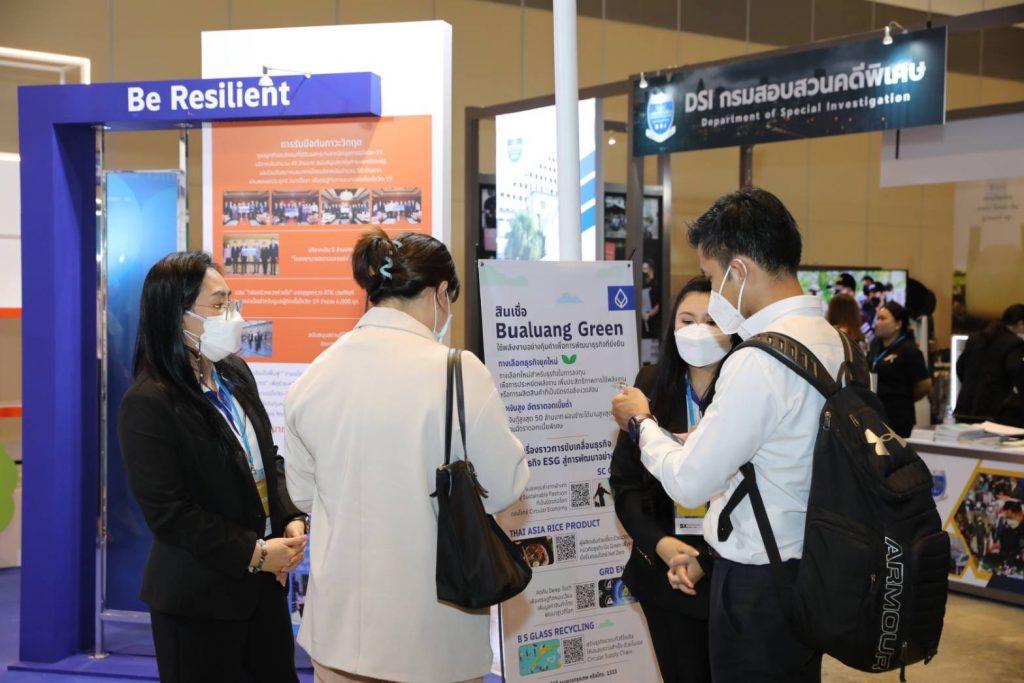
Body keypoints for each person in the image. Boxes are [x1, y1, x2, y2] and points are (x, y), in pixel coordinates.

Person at [612, 187, 843, 681]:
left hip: (759, 582)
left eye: (715, 278)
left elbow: (690, 481)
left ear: (738, 271)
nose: (715, 295)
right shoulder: (833, 342)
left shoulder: (758, 359)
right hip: (817, 566)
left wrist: (641, 423)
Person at [284, 228, 529, 683]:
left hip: (338, 633)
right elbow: (502, 488)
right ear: (440, 293)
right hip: (432, 636)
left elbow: (301, 495)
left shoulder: (314, 376)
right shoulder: (459, 373)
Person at [118, 251, 308, 683]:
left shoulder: (235, 374)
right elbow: (170, 513)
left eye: (231, 301)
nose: (232, 316)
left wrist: (290, 517)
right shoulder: (149, 402)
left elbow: (267, 459)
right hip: (198, 599)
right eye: (219, 304)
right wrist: (257, 554)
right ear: (177, 315)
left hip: (263, 589)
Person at [610, 276, 735, 683]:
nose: (698, 330)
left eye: (711, 321)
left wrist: (705, 560)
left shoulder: (745, 391)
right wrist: (661, 545)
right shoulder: (649, 385)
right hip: (664, 571)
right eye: (687, 320)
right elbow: (625, 483)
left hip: (732, 573)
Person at [869, 301, 932, 438]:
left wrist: (903, 398)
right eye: (877, 318)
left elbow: (924, 385)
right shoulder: (875, 346)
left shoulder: (909, 350)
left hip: (898, 418)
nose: (877, 322)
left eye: (883, 318)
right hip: (874, 415)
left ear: (898, 324)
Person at [955, 303, 1024, 425]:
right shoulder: (1014, 343)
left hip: (964, 410)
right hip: (994, 414)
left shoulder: (975, 338)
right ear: (1020, 324)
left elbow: (960, 368)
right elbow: (1018, 374)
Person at [641, 259, 663, 339]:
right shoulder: (642, 284)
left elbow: (658, 305)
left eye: (645, 269)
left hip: (653, 322)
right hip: (643, 320)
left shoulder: (656, 285)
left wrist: (649, 315)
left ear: (651, 269)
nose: (643, 272)